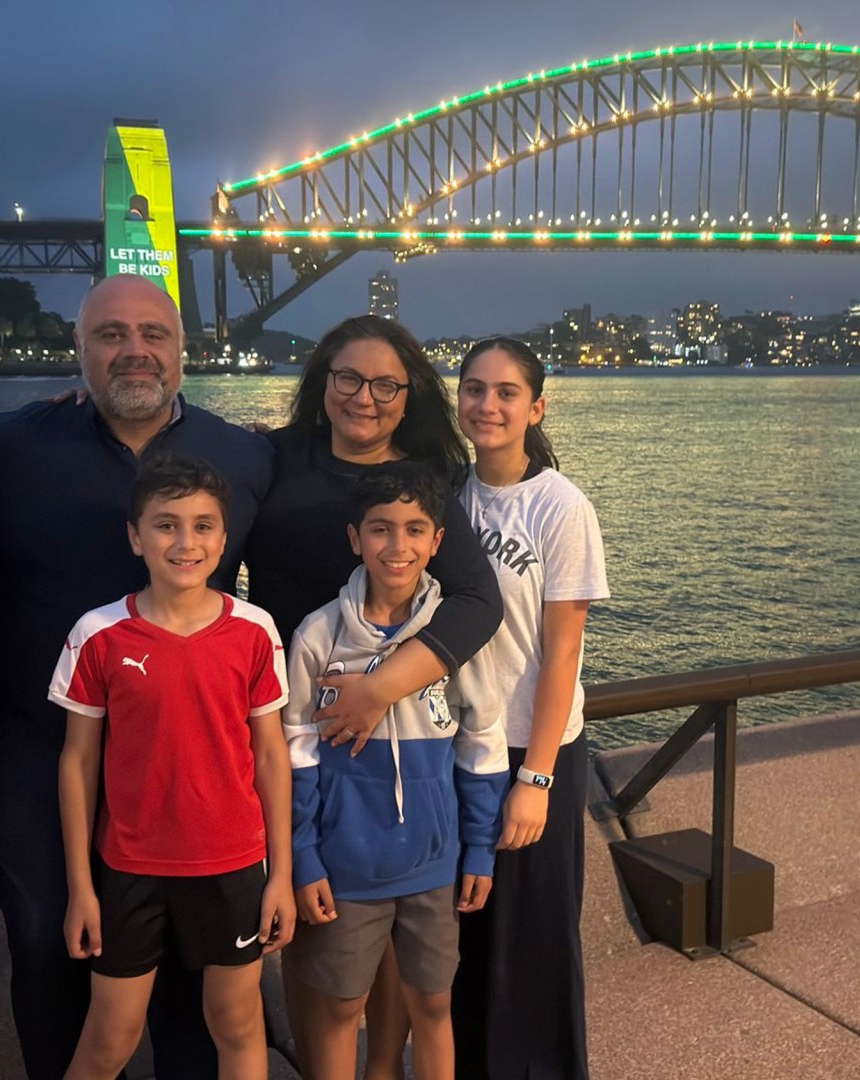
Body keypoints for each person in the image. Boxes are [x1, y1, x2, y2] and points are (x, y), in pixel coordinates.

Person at [0, 274, 274, 1080]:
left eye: (153, 334)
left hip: (186, 761)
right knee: (45, 941)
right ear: (81, 351)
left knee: (189, 970)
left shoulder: (244, 454)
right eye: (110, 336)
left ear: (183, 350)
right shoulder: (6, 447)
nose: (134, 351)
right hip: (46, 751)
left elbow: (301, 566)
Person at [241, 315, 504, 1072]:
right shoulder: (273, 457)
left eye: (386, 383)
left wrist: (379, 690)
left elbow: (477, 602)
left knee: (407, 969)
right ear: (322, 382)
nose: (365, 396)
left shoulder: (421, 480)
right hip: (295, 714)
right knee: (325, 957)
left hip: (392, 722)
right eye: (348, 378)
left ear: (408, 392)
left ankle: (384, 1068)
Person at [49, 455, 294, 1080]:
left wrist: (280, 877)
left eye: (204, 526)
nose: (186, 542)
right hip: (131, 867)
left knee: (238, 1024)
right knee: (110, 1036)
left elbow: (271, 756)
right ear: (136, 536)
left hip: (234, 864)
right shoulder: (98, 634)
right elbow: (77, 763)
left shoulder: (254, 631)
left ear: (223, 538)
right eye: (165, 525)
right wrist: (81, 886)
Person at [284, 465, 508, 1080]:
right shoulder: (318, 636)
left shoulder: (451, 639)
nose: (398, 546)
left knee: (433, 1003)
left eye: (414, 530)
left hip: (435, 863)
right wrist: (305, 856)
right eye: (381, 529)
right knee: (340, 1007)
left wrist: (480, 852)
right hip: (345, 865)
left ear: (438, 541)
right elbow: (296, 754)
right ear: (355, 537)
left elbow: (482, 744)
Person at [449, 338, 608, 1080]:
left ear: (535, 408)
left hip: (530, 751)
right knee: (466, 939)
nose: (489, 405)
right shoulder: (448, 494)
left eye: (507, 392)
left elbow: (562, 653)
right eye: (475, 389)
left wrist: (536, 777)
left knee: (535, 943)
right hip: (457, 747)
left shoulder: (559, 505)